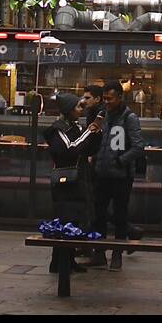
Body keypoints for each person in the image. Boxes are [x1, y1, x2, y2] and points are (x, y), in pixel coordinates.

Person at [87, 81, 145, 270]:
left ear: (120, 97)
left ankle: (117, 254)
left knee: (120, 215)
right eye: (104, 99)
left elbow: (138, 146)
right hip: (101, 173)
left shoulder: (129, 118)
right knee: (98, 214)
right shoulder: (102, 116)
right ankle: (99, 253)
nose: (106, 102)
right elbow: (97, 140)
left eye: (110, 98)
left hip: (121, 176)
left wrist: (121, 161)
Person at [45, 92, 101, 275]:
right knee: (64, 219)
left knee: (75, 220)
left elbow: (87, 149)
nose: (81, 109)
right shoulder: (58, 129)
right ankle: (58, 262)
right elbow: (71, 149)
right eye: (78, 106)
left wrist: (96, 134)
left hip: (79, 179)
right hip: (65, 182)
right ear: (68, 109)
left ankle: (68, 260)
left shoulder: (76, 127)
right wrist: (89, 132)